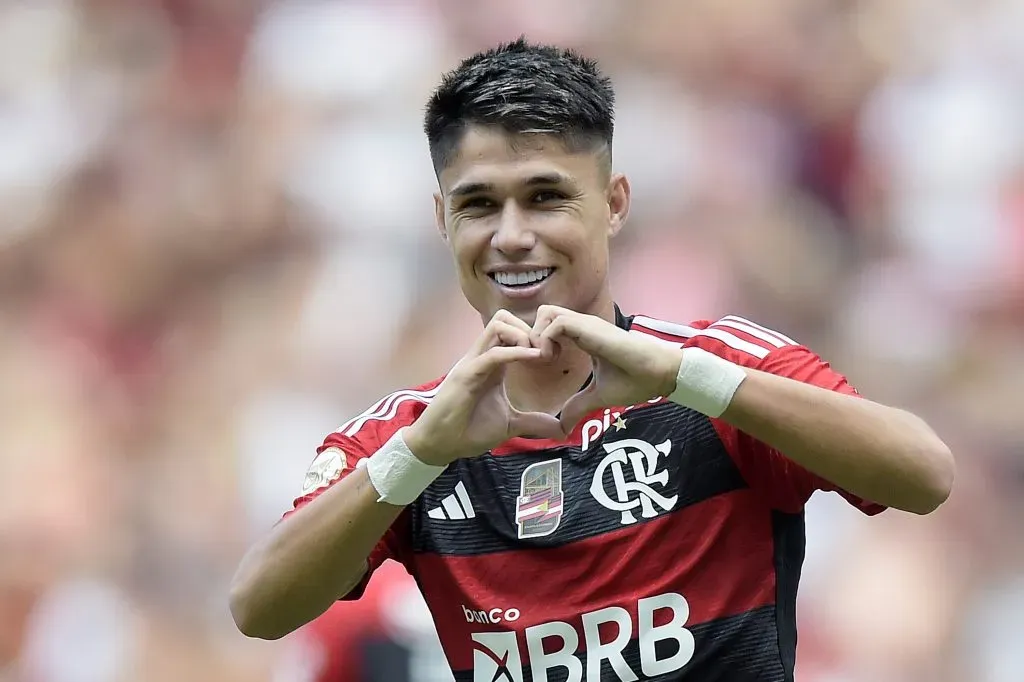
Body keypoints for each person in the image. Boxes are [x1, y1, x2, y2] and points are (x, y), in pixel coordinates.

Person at [230, 38, 955, 682]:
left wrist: (684, 380)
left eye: (545, 197)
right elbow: (260, 607)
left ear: (613, 203)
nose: (512, 236)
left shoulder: (715, 369)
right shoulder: (413, 436)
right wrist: (421, 453)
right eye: (479, 205)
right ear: (441, 220)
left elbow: (923, 475)